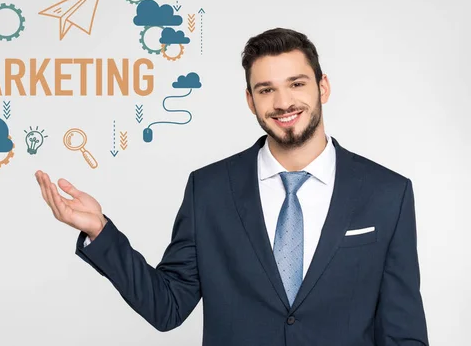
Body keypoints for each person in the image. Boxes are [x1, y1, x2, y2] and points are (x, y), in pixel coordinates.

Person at [35, 28, 429, 345]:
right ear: (250, 100)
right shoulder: (208, 190)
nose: (283, 102)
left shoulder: (387, 194)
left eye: (296, 84)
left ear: (322, 88)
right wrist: (100, 231)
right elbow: (167, 307)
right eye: (266, 89)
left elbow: (403, 332)